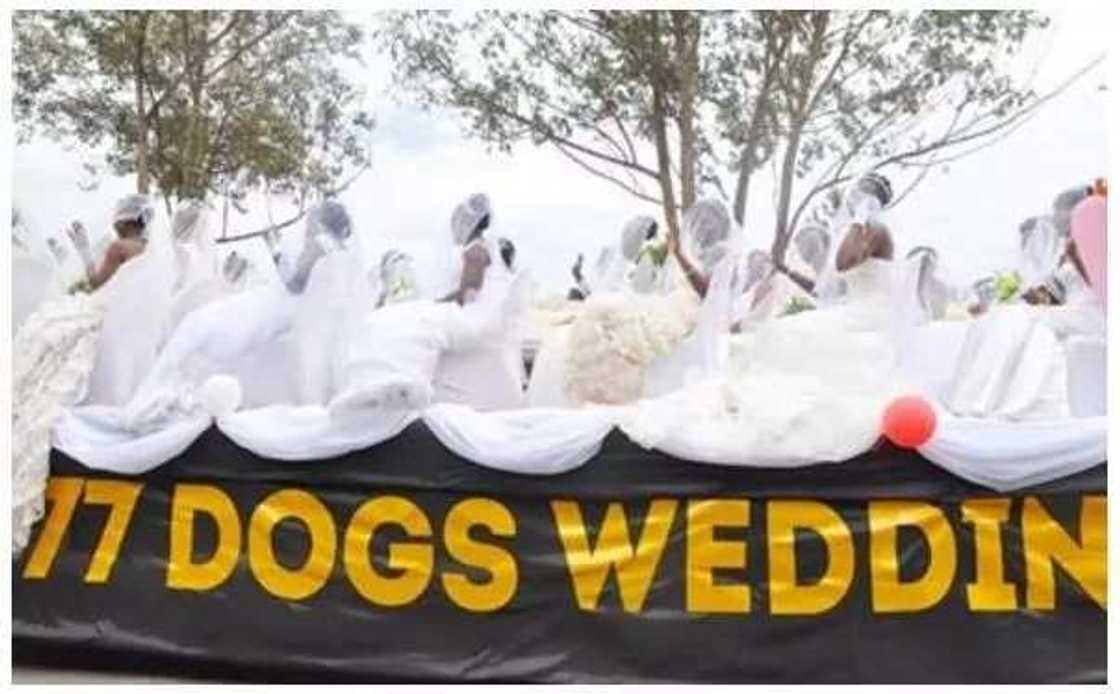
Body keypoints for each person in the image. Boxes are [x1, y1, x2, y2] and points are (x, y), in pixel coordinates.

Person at [626, 176, 909, 465]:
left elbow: (846, 260)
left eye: (857, 197)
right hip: (853, 308)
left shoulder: (877, 230)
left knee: (790, 333)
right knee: (783, 331)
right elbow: (834, 277)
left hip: (870, 313)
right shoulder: (863, 229)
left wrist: (859, 220)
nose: (850, 202)